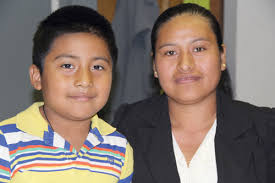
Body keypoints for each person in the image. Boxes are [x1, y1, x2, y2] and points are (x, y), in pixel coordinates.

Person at [113, 3, 275, 183]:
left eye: (198, 49)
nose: (185, 64)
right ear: (154, 66)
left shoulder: (265, 130)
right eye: (170, 52)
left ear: (222, 57)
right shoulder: (127, 127)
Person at [0, 6, 133, 183]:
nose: (85, 80)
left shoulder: (119, 149)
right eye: (68, 66)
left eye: (98, 67)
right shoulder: (6, 143)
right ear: (37, 77)